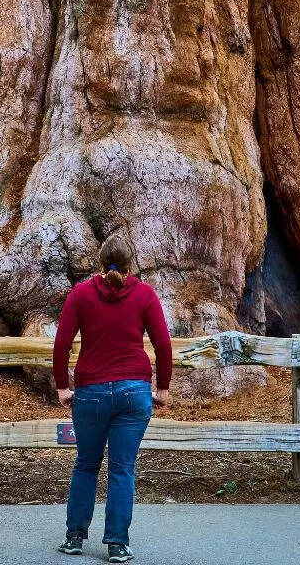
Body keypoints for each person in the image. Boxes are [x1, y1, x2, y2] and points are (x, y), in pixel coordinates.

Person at [53, 235, 172, 564]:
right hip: (133, 394)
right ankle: (117, 544)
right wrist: (162, 388)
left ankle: (75, 538)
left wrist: (63, 386)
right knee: (122, 469)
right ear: (131, 264)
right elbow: (163, 344)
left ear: (100, 262)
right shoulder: (145, 295)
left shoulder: (81, 294)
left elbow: (61, 343)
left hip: (90, 393)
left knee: (86, 465)